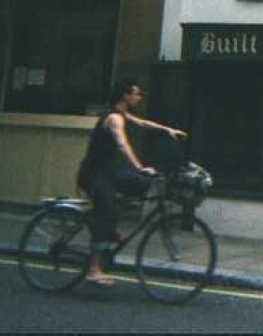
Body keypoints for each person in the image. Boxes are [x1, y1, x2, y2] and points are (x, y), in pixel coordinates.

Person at [76, 79, 187, 286]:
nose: (139, 97)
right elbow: (121, 143)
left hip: (108, 173)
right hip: (93, 174)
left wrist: (167, 130)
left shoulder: (122, 114)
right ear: (125, 96)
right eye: (136, 94)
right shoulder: (113, 119)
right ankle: (93, 269)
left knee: (139, 185)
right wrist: (139, 167)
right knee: (106, 212)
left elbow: (143, 123)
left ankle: (109, 226)